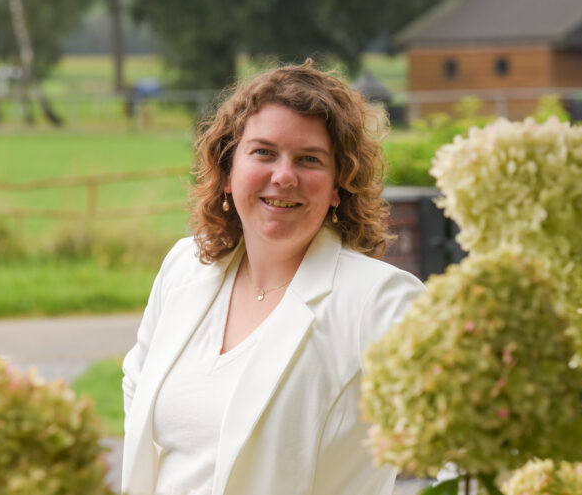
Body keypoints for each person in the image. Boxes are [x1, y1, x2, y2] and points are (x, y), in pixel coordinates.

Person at [121, 61, 425, 495]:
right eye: (264, 152)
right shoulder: (183, 267)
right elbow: (137, 390)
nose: (283, 176)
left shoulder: (379, 299)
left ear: (338, 185)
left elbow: (464, 434)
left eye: (309, 159)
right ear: (228, 171)